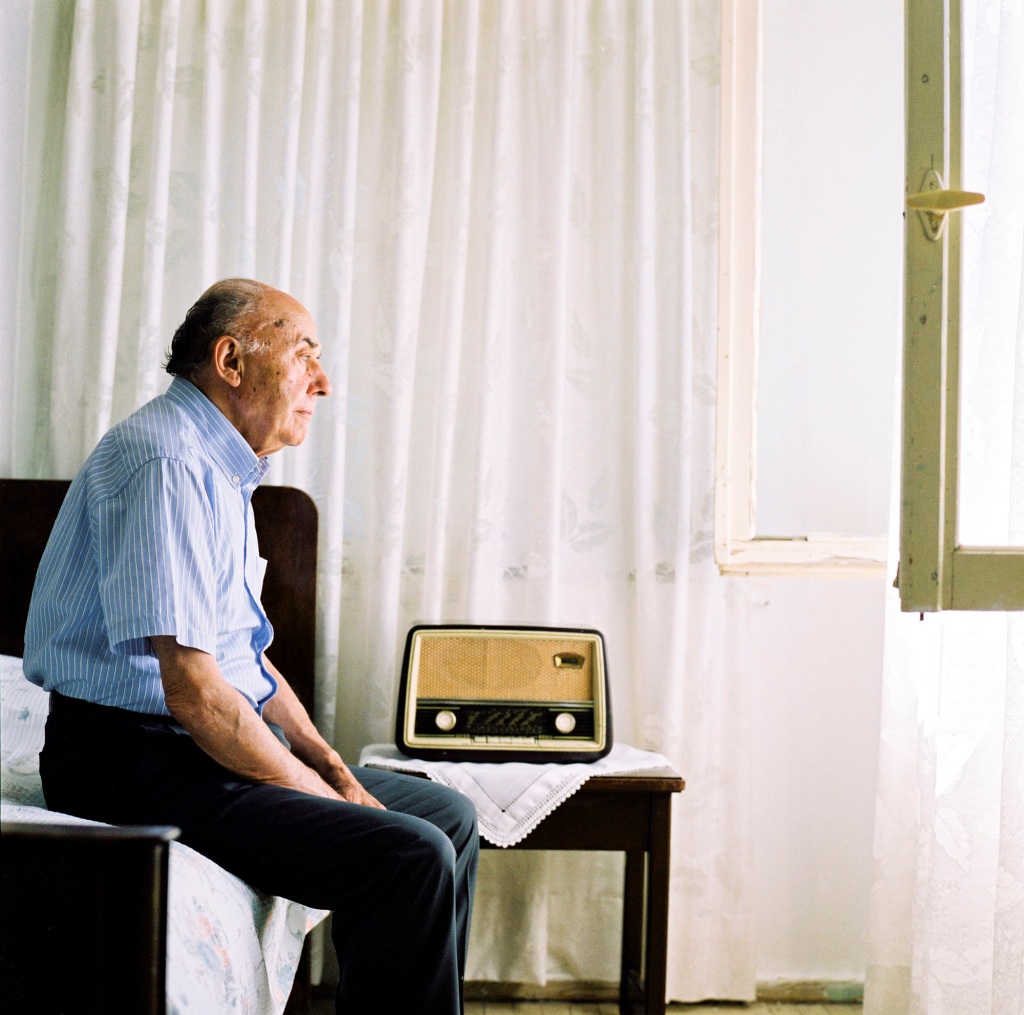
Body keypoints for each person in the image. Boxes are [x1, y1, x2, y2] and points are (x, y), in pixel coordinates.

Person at [24, 278, 479, 1014]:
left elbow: (245, 659)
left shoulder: (219, 467)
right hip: (127, 761)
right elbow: (196, 692)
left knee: (447, 817)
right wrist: (326, 797)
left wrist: (330, 764)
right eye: (305, 354)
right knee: (409, 853)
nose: (322, 382)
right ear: (231, 360)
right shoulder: (165, 462)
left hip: (186, 745)